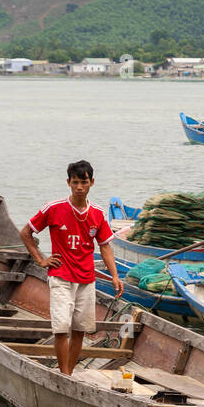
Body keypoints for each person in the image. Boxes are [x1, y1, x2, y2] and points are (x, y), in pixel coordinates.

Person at [18, 160, 122, 376]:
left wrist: (115, 276)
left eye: (83, 182)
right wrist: (40, 259)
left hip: (86, 278)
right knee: (61, 328)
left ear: (92, 182)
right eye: (75, 182)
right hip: (61, 277)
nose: (79, 187)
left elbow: (105, 246)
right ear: (68, 183)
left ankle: (68, 374)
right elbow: (26, 232)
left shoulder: (98, 213)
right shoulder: (54, 208)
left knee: (80, 330)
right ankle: (64, 374)